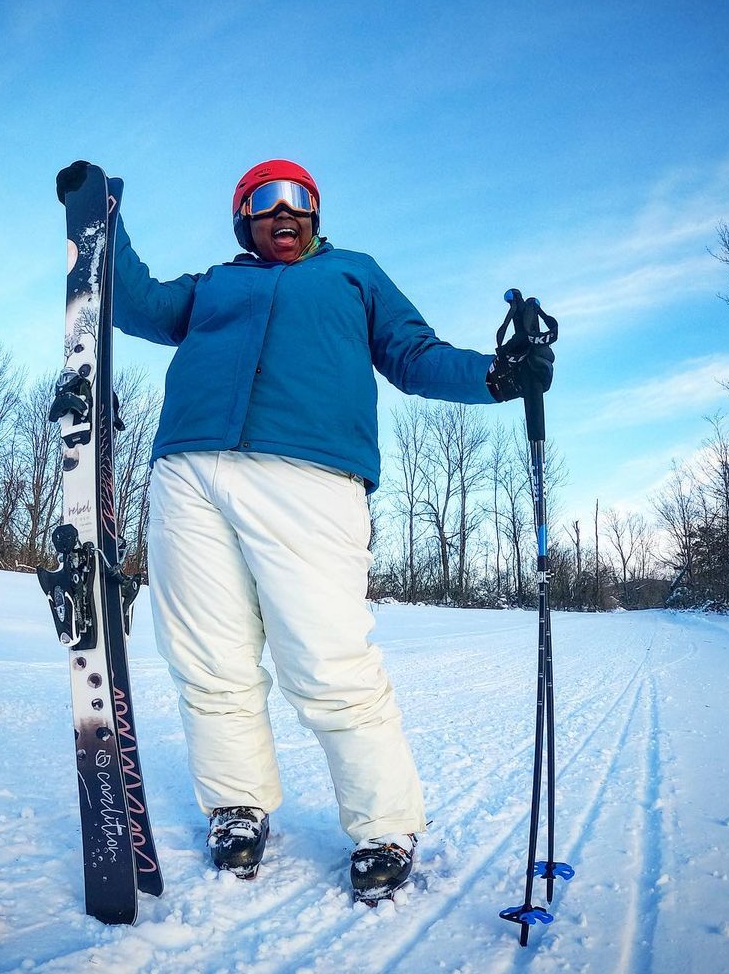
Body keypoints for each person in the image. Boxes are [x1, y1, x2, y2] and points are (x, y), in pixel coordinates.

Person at [111, 159, 554, 902]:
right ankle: (237, 808)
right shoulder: (213, 285)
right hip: (187, 470)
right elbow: (137, 305)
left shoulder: (354, 274)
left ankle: (384, 824)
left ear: (315, 214)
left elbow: (415, 357)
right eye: (264, 200)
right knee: (208, 659)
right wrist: (105, 218)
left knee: (326, 661)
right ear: (242, 216)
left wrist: (494, 377)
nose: (283, 211)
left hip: (310, 473)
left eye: (300, 200)